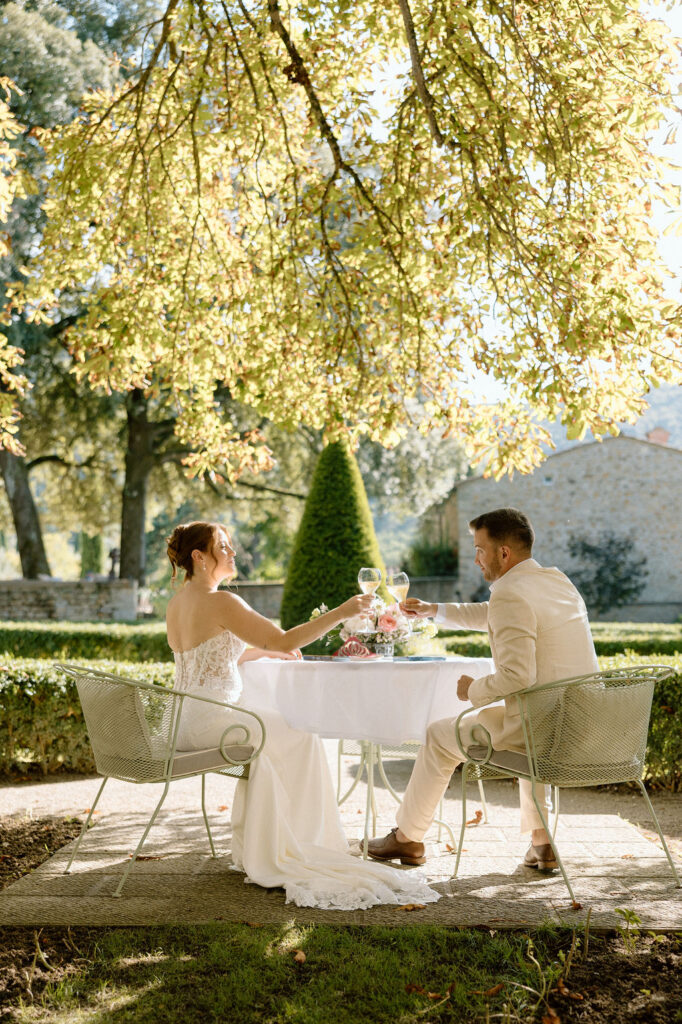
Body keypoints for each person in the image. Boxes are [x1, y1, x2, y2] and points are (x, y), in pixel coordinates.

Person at [165, 520, 441, 910]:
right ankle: (299, 845)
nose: (232, 553)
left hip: (188, 720)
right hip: (215, 722)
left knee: (282, 730)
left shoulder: (179, 603)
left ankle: (277, 840)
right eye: (223, 547)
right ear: (199, 556)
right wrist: (343, 611)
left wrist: (264, 653)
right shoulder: (221, 601)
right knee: (300, 730)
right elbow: (284, 638)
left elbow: (213, 655)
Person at [367, 507, 598, 873]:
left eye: (479, 549)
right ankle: (543, 843)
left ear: (503, 553)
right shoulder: (555, 582)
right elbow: (493, 613)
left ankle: (407, 838)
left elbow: (518, 676)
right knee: (525, 721)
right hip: (582, 724)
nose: (476, 559)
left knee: (440, 734)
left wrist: (473, 689)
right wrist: (434, 610)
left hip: (543, 730)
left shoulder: (510, 593)